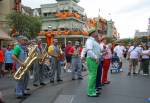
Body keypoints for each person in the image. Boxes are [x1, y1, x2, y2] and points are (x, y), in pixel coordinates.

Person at [85, 29, 101, 97]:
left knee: (94, 76)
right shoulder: (89, 41)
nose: (97, 33)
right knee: (92, 76)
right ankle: (90, 92)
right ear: (93, 33)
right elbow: (89, 51)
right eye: (96, 32)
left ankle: (93, 90)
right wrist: (96, 57)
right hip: (92, 59)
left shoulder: (92, 40)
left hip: (94, 59)